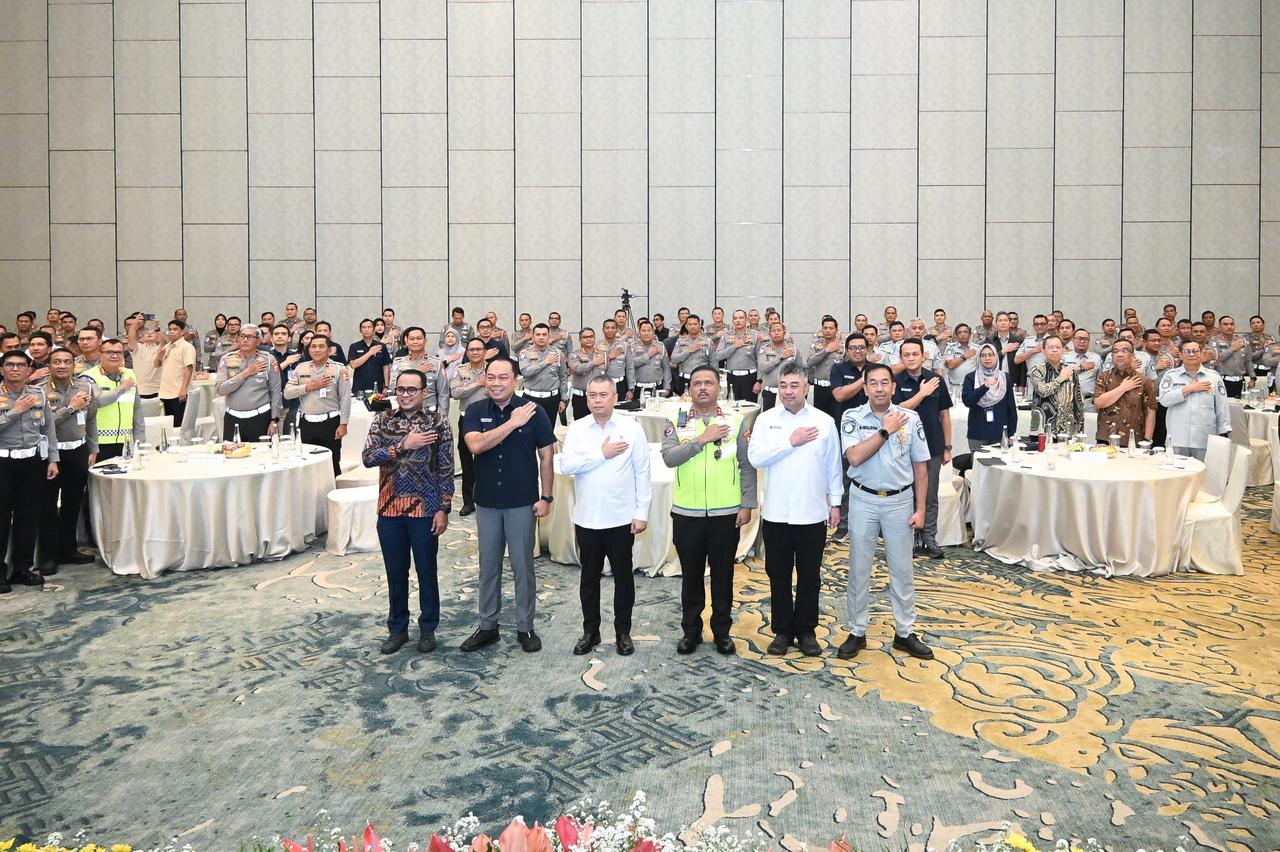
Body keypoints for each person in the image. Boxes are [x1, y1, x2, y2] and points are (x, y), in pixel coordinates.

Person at [837, 362, 933, 661]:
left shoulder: (910, 418)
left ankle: (905, 632)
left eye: (884, 383)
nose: (879, 388)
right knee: (859, 568)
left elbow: (921, 467)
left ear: (893, 387)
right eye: (873, 383)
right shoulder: (852, 417)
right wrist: (885, 430)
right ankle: (857, 631)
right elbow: (854, 457)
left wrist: (920, 509)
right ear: (865, 388)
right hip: (863, 499)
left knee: (902, 570)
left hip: (899, 502)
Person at [459, 356, 555, 653]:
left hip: (521, 502)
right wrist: (513, 423)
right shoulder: (475, 410)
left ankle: (525, 627)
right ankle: (488, 626)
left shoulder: (534, 411)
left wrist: (546, 497)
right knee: (488, 566)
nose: (496, 383)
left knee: (522, 567)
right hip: (487, 501)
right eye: (491, 377)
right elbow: (476, 445)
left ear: (516, 380)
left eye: (503, 377)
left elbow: (546, 456)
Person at [660, 364, 757, 656]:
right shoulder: (674, 420)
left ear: (718, 388)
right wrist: (702, 439)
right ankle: (691, 632)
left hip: (725, 514)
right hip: (687, 513)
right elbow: (669, 458)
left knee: (723, 576)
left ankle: (722, 633)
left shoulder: (736, 421)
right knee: (690, 577)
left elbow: (746, 465)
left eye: (708, 383)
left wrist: (747, 504)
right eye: (697, 383)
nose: (702, 387)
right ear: (689, 389)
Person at [747, 363, 841, 657]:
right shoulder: (765, 420)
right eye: (783, 386)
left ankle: (806, 630)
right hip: (776, 513)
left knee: (810, 576)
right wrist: (790, 442)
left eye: (794, 385)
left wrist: (835, 502)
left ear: (806, 388)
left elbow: (833, 465)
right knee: (779, 575)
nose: (788, 392)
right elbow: (756, 458)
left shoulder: (824, 421)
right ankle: (782, 631)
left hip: (812, 512)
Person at [363, 368, 455, 655]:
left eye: (411, 389)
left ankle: (428, 628)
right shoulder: (382, 420)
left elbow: (446, 467)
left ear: (424, 392)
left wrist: (444, 507)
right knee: (395, 573)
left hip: (425, 511)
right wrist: (403, 445)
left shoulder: (437, 422)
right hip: (389, 509)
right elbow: (368, 457)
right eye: (401, 389)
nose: (405, 395)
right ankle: (397, 629)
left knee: (427, 571)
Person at [559, 375, 651, 657]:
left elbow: (643, 473)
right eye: (593, 395)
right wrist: (601, 454)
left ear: (615, 398)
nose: (598, 401)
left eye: (603, 395)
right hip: (587, 518)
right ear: (586, 399)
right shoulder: (578, 428)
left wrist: (641, 513)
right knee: (589, 578)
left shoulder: (631, 428)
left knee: (624, 578)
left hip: (621, 518)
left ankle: (623, 632)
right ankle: (591, 631)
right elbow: (567, 466)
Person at [0, 350, 59, 593]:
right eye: (10, 365)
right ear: (2, 369)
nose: (15, 369)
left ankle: (22, 569)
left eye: (20, 365)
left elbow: (48, 429)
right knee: (1, 519)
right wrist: (16, 411)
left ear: (28, 370)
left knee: (28, 517)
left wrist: (53, 459)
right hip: (3, 462)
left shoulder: (38, 393)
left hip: (33, 462)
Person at [37, 348, 98, 574]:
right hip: (50, 455)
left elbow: (91, 419)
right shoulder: (39, 391)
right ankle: (48, 556)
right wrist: (71, 408)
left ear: (74, 365)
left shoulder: (85, 387)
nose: (62, 366)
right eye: (57, 362)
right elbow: (42, 423)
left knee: (73, 504)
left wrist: (93, 448)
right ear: (49, 365)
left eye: (66, 362)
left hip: (78, 451)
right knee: (47, 506)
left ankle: (68, 549)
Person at [892, 339, 952, 560]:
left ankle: (929, 538)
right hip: (904, 447)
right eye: (906, 355)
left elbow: (944, 415)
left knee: (930, 495)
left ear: (923, 355)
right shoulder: (896, 381)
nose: (910, 358)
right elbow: (898, 410)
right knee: (907, 495)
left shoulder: (936, 380)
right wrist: (922, 393)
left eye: (914, 354)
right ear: (901, 358)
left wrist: (948, 446)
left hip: (933, 446)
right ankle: (911, 539)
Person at [284, 334, 352, 475]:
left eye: (321, 346)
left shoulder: (339, 369)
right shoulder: (301, 368)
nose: (317, 350)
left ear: (329, 350)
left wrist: (343, 423)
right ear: (309, 350)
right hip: (306, 423)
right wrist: (309, 387)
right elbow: (287, 393)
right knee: (308, 463)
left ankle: (332, 488)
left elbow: (345, 398)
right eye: (313, 346)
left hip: (330, 423)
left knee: (332, 464)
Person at [1159, 340, 1231, 460]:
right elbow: (1164, 400)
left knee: (1204, 470)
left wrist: (1224, 431)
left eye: (1195, 351)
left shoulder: (1213, 377)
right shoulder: (1170, 376)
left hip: (1204, 436)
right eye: (1187, 351)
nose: (1191, 354)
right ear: (1180, 355)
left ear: (1201, 354)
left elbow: (1222, 406)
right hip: (1178, 437)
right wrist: (1188, 389)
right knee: (1177, 469)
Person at [215, 325, 282, 443]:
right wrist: (245, 374)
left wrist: (274, 420)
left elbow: (276, 392)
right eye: (242, 336)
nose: (245, 340)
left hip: (260, 417)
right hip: (233, 418)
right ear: (238, 339)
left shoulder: (268, 360)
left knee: (262, 453)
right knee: (232, 452)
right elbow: (221, 389)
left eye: (250, 337)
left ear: (258, 341)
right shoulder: (227, 359)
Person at [84, 339, 144, 460]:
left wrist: (140, 440)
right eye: (109, 352)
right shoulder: (89, 377)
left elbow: (137, 408)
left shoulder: (129, 374)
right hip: (98, 443)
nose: (115, 356)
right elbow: (98, 401)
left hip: (126, 442)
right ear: (100, 354)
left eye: (119, 352)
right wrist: (122, 388)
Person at [450, 338, 490, 516]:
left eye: (478, 349)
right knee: (467, 463)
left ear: (485, 351)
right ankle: (468, 502)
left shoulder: (493, 369)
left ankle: (487, 498)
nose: (475, 352)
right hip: (467, 419)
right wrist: (478, 385)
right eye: (471, 349)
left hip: (490, 419)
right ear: (467, 353)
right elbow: (455, 393)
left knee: (489, 460)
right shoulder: (459, 370)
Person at [1092, 339, 1156, 446]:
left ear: (1132, 356)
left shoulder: (1143, 381)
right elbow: (1098, 403)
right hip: (1105, 437)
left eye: (1124, 351)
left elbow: (1150, 412)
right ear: (1112, 356)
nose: (1119, 354)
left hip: (1133, 439)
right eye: (1115, 351)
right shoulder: (1104, 377)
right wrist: (1123, 388)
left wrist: (1147, 440)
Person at [962, 343, 1018, 450]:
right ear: (979, 358)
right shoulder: (971, 377)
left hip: (1000, 433)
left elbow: (1011, 408)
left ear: (996, 357)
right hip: (978, 433)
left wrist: (1011, 434)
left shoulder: (1004, 377)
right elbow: (968, 401)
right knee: (977, 460)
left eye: (990, 355)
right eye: (983, 355)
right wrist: (985, 386)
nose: (987, 358)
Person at [1029, 335, 1085, 437]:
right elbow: (1042, 391)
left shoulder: (1070, 371)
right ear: (1043, 350)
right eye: (1050, 347)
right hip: (1043, 427)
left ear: (1063, 350)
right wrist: (1061, 378)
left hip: (1067, 427)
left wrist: (1080, 426)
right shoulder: (1037, 370)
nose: (1054, 350)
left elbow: (1077, 401)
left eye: (1058, 347)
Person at [518, 322, 568, 426]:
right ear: (533, 336)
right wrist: (545, 362)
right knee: (529, 430)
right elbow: (525, 372)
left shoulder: (558, 353)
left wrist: (563, 399)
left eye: (544, 334)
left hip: (552, 399)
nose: (541, 337)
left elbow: (563, 377)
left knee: (549, 430)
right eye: (538, 334)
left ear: (549, 336)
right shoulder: (525, 353)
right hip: (530, 399)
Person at [388, 327, 444, 411]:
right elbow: (393, 387)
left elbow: (443, 394)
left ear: (425, 340)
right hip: (405, 411)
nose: (415, 341)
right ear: (406, 341)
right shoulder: (398, 363)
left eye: (419, 338)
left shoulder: (436, 363)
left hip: (430, 412)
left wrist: (442, 416)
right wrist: (416, 371)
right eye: (412, 339)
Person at [156, 320, 196, 424]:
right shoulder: (167, 346)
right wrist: (158, 356)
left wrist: (183, 389)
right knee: (169, 424)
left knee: (179, 424)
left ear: (182, 332)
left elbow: (189, 368)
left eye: (175, 329)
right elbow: (157, 365)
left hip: (178, 393)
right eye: (170, 329)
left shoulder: (187, 346)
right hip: (166, 392)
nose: (172, 332)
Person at [715, 309, 760, 402]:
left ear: (746, 320)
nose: (738, 320)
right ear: (732, 321)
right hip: (732, 378)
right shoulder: (726, 336)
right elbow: (718, 356)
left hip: (750, 378)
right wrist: (735, 346)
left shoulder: (755, 336)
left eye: (741, 318)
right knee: (732, 406)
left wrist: (759, 381)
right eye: (735, 318)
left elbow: (760, 360)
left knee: (750, 407)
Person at [757, 321, 800, 411]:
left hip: (788, 393)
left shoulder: (793, 349)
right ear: (770, 334)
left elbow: (800, 371)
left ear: (784, 333)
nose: (776, 333)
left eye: (779, 330)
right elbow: (763, 368)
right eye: (774, 331)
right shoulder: (764, 349)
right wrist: (780, 357)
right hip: (770, 393)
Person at [568, 327, 607, 420]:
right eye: (585, 337)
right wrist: (594, 363)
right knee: (581, 425)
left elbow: (606, 372)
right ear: (580, 340)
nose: (589, 339)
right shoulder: (574, 355)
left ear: (594, 338)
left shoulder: (602, 354)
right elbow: (577, 369)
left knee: (600, 422)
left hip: (599, 397)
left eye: (591, 336)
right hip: (581, 397)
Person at [807, 316, 842, 419]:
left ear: (836, 330)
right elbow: (809, 363)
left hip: (837, 388)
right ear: (822, 330)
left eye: (831, 328)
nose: (828, 330)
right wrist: (826, 350)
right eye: (825, 328)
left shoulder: (843, 346)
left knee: (836, 419)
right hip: (820, 389)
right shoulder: (816, 345)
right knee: (820, 420)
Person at [669, 314, 712, 397]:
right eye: (690, 324)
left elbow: (713, 362)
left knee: (702, 402)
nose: (692, 326)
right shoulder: (680, 341)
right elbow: (674, 359)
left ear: (699, 325)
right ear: (686, 326)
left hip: (702, 379)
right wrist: (688, 351)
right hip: (684, 379)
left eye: (695, 324)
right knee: (685, 402)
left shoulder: (707, 341)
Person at [347, 318, 392, 394]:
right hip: (359, 387)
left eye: (369, 327)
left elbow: (385, 366)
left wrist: (386, 386)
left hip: (377, 386)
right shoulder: (354, 346)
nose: (366, 329)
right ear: (360, 330)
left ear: (373, 329)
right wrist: (370, 353)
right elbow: (353, 365)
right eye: (363, 327)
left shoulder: (381, 346)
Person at [627, 319, 670, 398]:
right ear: (639, 333)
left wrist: (667, 386)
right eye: (643, 331)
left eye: (649, 331)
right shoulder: (632, 346)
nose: (646, 333)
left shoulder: (660, 346)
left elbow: (666, 367)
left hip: (657, 387)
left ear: (653, 332)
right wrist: (648, 355)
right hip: (638, 388)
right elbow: (630, 365)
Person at [1209, 315, 1250, 398]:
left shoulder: (1242, 340)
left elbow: (1248, 360)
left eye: (1231, 324)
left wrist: (1252, 377)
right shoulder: (1214, 341)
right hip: (1223, 381)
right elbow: (1216, 359)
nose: (1229, 326)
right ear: (1219, 327)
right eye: (1225, 324)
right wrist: (1232, 349)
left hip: (1240, 381)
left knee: (1241, 404)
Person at [1062, 328, 1102, 410]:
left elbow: (1100, 380)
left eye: (1085, 339)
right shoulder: (1064, 357)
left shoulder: (1096, 358)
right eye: (1079, 338)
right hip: (1068, 401)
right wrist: (1081, 368)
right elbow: (1060, 375)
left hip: (1089, 402)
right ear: (1073, 340)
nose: (1082, 341)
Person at [942, 323, 978, 398]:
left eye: (965, 332)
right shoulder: (950, 347)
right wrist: (964, 356)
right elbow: (950, 365)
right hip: (955, 387)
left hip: (972, 387)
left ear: (970, 334)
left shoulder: (977, 348)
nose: (963, 334)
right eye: (960, 332)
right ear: (956, 335)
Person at [598, 318, 630, 399]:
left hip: (620, 384)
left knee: (620, 406)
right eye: (607, 328)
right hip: (603, 384)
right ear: (603, 329)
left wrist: (631, 388)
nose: (610, 330)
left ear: (617, 329)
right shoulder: (597, 346)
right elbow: (596, 367)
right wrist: (609, 357)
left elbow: (630, 367)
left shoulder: (624, 345)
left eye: (613, 328)